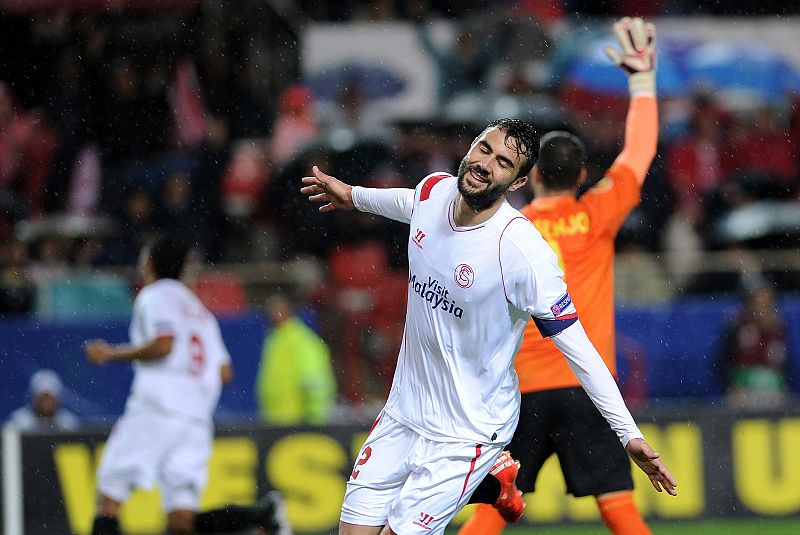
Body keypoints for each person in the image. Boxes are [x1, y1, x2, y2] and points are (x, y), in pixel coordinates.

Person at [300, 73, 676, 535]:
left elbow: (580, 349)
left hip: (469, 431)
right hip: (402, 414)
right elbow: (409, 203)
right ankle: (494, 485)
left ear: (520, 180)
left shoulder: (523, 252)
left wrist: (628, 434)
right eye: (484, 149)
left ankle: (487, 473)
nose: (486, 164)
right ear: (469, 147)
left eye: (503, 162)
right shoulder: (433, 190)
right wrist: (354, 197)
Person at [459, 16, 661, 535]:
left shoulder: (509, 228)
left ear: (529, 180)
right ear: (582, 175)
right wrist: (640, 79)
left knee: (490, 509)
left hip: (519, 389)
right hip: (584, 384)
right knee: (618, 507)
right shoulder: (597, 215)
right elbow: (639, 152)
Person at [83, 236, 292, 535]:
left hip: (157, 409)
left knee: (108, 500)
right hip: (195, 421)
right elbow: (224, 371)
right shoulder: (200, 312)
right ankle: (262, 515)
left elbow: (164, 345)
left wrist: (111, 353)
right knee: (182, 521)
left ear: (149, 264)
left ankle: (262, 516)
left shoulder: (154, 295)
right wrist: (194, 389)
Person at [255, 292, 337, 425]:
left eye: (277, 309)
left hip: (297, 422)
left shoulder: (303, 341)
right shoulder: (275, 339)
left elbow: (316, 381)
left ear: (289, 310)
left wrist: (315, 419)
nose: (273, 314)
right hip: (275, 420)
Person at [717, 280, 789, 410]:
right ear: (750, 304)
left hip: (773, 392)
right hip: (743, 391)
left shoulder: (779, 328)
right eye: (759, 302)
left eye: (767, 302)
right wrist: (732, 384)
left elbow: (785, 364)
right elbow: (721, 361)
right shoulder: (737, 327)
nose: (764, 307)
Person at [7, 368, 81, 432]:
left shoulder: (69, 424)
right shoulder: (18, 423)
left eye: (50, 397)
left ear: (58, 398)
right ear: (33, 397)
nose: (46, 402)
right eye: (42, 397)